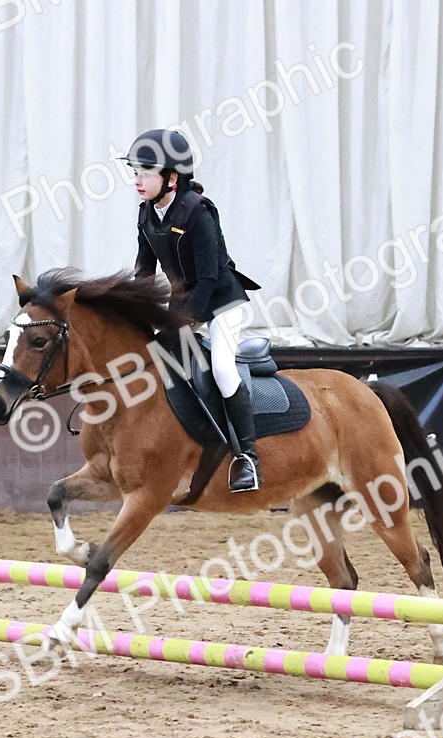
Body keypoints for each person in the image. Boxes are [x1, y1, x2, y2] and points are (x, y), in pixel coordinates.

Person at [121, 128, 263, 492]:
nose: (137, 180)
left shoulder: (199, 212)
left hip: (223, 303)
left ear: (171, 178)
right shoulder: (147, 214)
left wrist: (184, 321)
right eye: (135, 172)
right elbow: (144, 273)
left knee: (221, 368)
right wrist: (134, 315)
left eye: (145, 173)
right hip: (184, 304)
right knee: (162, 364)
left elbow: (210, 276)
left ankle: (248, 458)